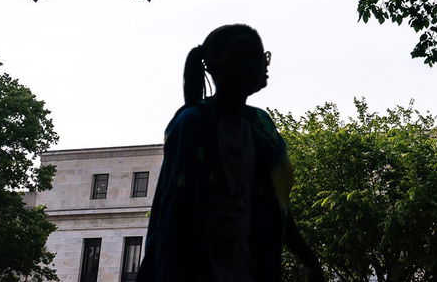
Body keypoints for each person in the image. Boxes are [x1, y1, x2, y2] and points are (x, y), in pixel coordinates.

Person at [138, 24, 324, 282]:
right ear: (219, 66)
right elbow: (175, 212)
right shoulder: (193, 123)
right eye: (248, 56)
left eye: (261, 56)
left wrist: (308, 258)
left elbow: (276, 205)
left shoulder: (261, 127)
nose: (259, 64)